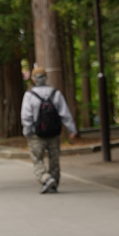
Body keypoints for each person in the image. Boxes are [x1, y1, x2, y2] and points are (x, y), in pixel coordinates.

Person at [20, 66, 77, 194]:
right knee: (54, 159)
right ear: (46, 78)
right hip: (53, 133)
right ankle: (54, 184)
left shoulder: (29, 95)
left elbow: (26, 116)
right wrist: (71, 130)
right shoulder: (56, 93)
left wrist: (27, 131)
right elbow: (65, 113)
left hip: (36, 134)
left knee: (37, 159)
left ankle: (46, 178)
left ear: (33, 79)